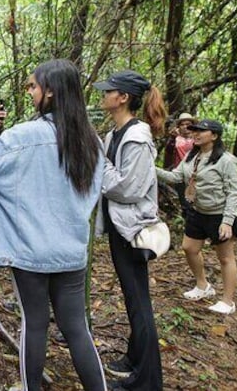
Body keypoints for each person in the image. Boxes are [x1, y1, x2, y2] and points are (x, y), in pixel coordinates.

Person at [0, 59, 107, 391]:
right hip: (71, 251)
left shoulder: (28, 136)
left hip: (31, 252)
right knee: (77, 329)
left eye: (33, 86)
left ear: (52, 91)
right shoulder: (92, 142)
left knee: (35, 324)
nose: (29, 91)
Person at [93, 69, 166, 391]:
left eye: (109, 91)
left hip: (132, 229)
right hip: (120, 228)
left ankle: (147, 381)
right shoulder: (115, 134)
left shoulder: (137, 137)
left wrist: (100, 165)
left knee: (139, 302)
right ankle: (134, 359)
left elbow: (128, 189)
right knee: (133, 298)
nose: (104, 94)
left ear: (123, 98)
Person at [156, 119, 237, 315]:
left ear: (214, 135)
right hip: (197, 212)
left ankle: (228, 302)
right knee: (189, 248)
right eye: (195, 130)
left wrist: (227, 221)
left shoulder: (226, 160)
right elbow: (176, 177)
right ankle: (203, 286)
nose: (195, 133)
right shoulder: (191, 156)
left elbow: (234, 193)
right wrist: (150, 169)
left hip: (219, 214)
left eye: (201, 131)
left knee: (225, 258)